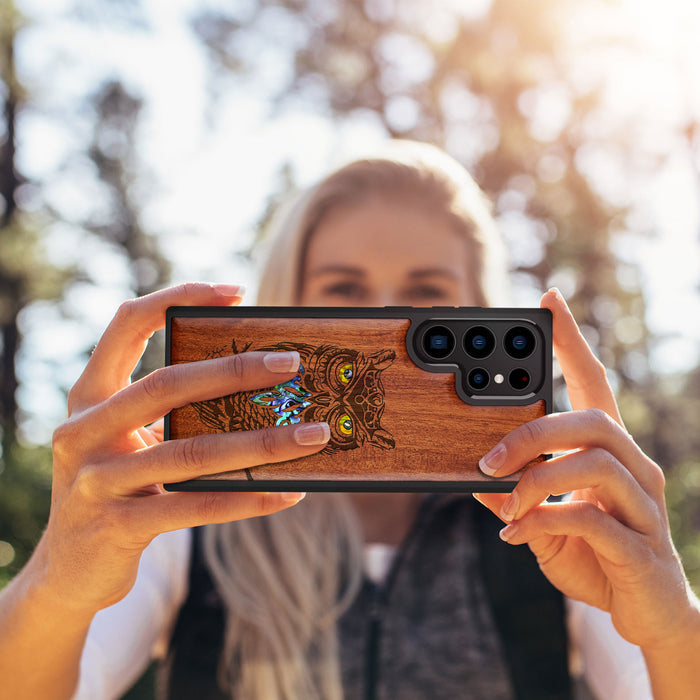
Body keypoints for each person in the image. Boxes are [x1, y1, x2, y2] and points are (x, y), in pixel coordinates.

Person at [0, 141, 698, 700]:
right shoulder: (194, 514)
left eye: (426, 295)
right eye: (345, 293)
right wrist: (55, 584)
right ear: (283, 307)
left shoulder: (551, 519)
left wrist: (673, 629)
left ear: (484, 315)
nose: (384, 323)